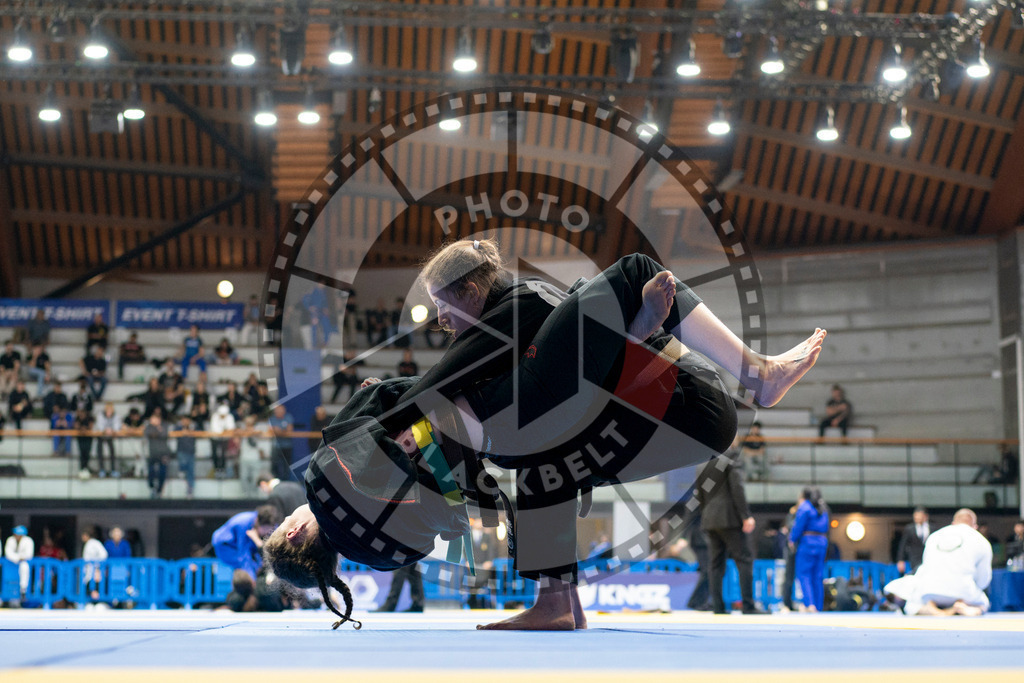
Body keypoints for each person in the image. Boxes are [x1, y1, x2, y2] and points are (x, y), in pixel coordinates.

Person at [263, 241, 825, 630]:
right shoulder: (329, 485)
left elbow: (441, 512)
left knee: (545, 465)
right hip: (544, 410)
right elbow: (387, 422)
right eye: (435, 307)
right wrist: (403, 418)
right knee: (633, 271)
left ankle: (557, 601)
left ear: (472, 290)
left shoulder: (381, 550)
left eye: (441, 306)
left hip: (531, 431)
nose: (439, 320)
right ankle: (753, 373)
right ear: (294, 533)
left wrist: (407, 422)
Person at [884, 508, 993, 616]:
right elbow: (983, 580)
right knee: (983, 603)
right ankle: (965, 607)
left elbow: (925, 568)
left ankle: (930, 608)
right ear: (975, 527)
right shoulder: (981, 541)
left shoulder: (934, 536)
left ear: (953, 523)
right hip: (963, 592)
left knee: (911, 605)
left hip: (930, 591)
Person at [694, 445, 763, 614]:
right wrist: (745, 515)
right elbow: (737, 486)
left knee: (715, 564)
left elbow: (700, 495)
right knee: (744, 559)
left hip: (710, 519)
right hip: (729, 518)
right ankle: (748, 605)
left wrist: (706, 515)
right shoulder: (731, 456)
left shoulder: (701, 462)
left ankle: (718, 607)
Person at [212, 505, 282, 581]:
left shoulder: (274, 525)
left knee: (260, 563)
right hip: (224, 545)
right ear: (257, 521)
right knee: (248, 566)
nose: (267, 532)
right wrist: (251, 582)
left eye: (270, 529)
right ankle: (248, 584)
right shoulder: (243, 524)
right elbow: (243, 555)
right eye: (265, 529)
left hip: (245, 543)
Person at [789, 487, 829, 612]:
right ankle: (818, 605)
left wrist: (792, 539)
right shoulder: (824, 508)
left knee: (804, 574)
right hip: (822, 542)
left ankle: (809, 604)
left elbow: (798, 525)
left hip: (807, 542)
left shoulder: (805, 507)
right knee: (818, 575)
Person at [144, 412, 172, 499]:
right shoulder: (149, 427)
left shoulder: (165, 425)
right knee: (151, 471)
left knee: (162, 472)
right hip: (153, 454)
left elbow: (164, 434)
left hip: (163, 453)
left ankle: (159, 490)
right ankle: (152, 487)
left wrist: (157, 430)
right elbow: (147, 434)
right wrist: (157, 431)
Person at [4, 525, 34, 606]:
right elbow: (8, 553)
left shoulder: (28, 541)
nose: (16, 535)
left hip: (23, 563)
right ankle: (5, 597)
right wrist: (18, 558)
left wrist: (20, 558)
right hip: (10, 563)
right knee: (8, 579)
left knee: (24, 568)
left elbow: (29, 554)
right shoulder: (10, 540)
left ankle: (23, 590)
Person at [237, 414, 268, 493]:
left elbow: (260, 433)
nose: (249, 425)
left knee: (256, 477)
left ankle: (254, 494)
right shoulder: (242, 431)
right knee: (243, 477)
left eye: (250, 423)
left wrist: (252, 432)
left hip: (255, 458)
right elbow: (237, 433)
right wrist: (246, 431)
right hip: (244, 458)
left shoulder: (257, 430)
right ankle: (245, 494)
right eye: (247, 423)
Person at [896, 506, 930, 575]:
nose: (917, 518)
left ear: (925, 516)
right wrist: (900, 560)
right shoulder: (909, 528)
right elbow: (903, 544)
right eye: (915, 516)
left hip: (927, 556)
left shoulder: (931, 528)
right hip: (914, 558)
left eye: (919, 516)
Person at [80, 525, 108, 603]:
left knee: (95, 585)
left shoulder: (94, 542)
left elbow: (104, 554)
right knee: (88, 584)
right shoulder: (88, 544)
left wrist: (97, 566)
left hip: (95, 569)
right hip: (88, 570)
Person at [268, 404, 295, 481]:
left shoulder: (288, 417)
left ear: (284, 411)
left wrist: (278, 431)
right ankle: (275, 481)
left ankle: (286, 481)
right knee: (275, 465)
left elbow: (289, 431)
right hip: (276, 446)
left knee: (287, 465)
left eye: (281, 410)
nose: (279, 412)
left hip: (287, 446)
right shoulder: (272, 419)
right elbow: (271, 430)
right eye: (277, 411)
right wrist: (283, 431)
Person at [209, 404, 236, 479]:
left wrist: (223, 431)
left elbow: (231, 428)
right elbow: (215, 429)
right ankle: (216, 469)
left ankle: (223, 469)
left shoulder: (230, 417)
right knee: (214, 454)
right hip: (214, 438)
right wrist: (224, 431)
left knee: (224, 454)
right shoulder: (215, 416)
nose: (222, 416)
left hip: (225, 439)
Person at [96, 402, 122, 478]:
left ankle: (113, 470)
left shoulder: (116, 416)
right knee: (100, 453)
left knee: (112, 453)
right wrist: (105, 430)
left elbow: (117, 425)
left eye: (111, 410)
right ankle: (101, 470)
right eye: (108, 410)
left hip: (111, 436)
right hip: (101, 436)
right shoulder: (100, 415)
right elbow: (99, 425)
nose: (109, 411)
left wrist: (112, 430)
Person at [175, 415, 198, 499]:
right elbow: (174, 433)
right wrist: (182, 430)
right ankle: (181, 469)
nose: (185, 422)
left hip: (191, 452)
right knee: (182, 463)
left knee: (191, 472)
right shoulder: (178, 427)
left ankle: (190, 490)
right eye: (184, 420)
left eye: (187, 420)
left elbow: (200, 432)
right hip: (181, 450)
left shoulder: (194, 427)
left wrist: (190, 431)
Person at [74, 407, 95, 479]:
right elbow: (76, 426)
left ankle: (86, 467)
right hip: (80, 438)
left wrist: (84, 429)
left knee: (87, 453)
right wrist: (81, 429)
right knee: (82, 453)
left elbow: (91, 426)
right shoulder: (77, 419)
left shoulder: (90, 418)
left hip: (88, 438)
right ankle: (82, 468)